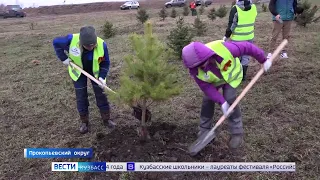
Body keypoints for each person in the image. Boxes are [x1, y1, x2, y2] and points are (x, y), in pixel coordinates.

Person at [182, 40, 272, 149]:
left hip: (232, 77)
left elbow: (248, 47)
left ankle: (236, 133)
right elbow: (206, 87)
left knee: (230, 98)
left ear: (206, 56)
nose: (200, 68)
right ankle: (204, 130)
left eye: (201, 64)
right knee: (207, 99)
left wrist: (263, 60)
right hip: (215, 81)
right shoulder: (195, 70)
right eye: (196, 66)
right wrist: (222, 102)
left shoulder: (225, 49)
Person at [53, 26, 114, 134]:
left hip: (95, 72)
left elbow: (105, 62)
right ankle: (84, 122)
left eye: (92, 45)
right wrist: (64, 58)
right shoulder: (70, 40)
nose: (90, 47)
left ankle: (106, 119)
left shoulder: (102, 44)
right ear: (81, 42)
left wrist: (102, 77)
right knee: (81, 96)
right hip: (78, 71)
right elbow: (56, 42)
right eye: (87, 46)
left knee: (101, 94)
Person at [223, 0, 257, 81]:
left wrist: (226, 36)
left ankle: (235, 75)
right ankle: (243, 76)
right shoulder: (254, 7)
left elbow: (231, 25)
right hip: (249, 36)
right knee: (246, 56)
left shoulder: (235, 9)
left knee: (236, 56)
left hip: (237, 38)